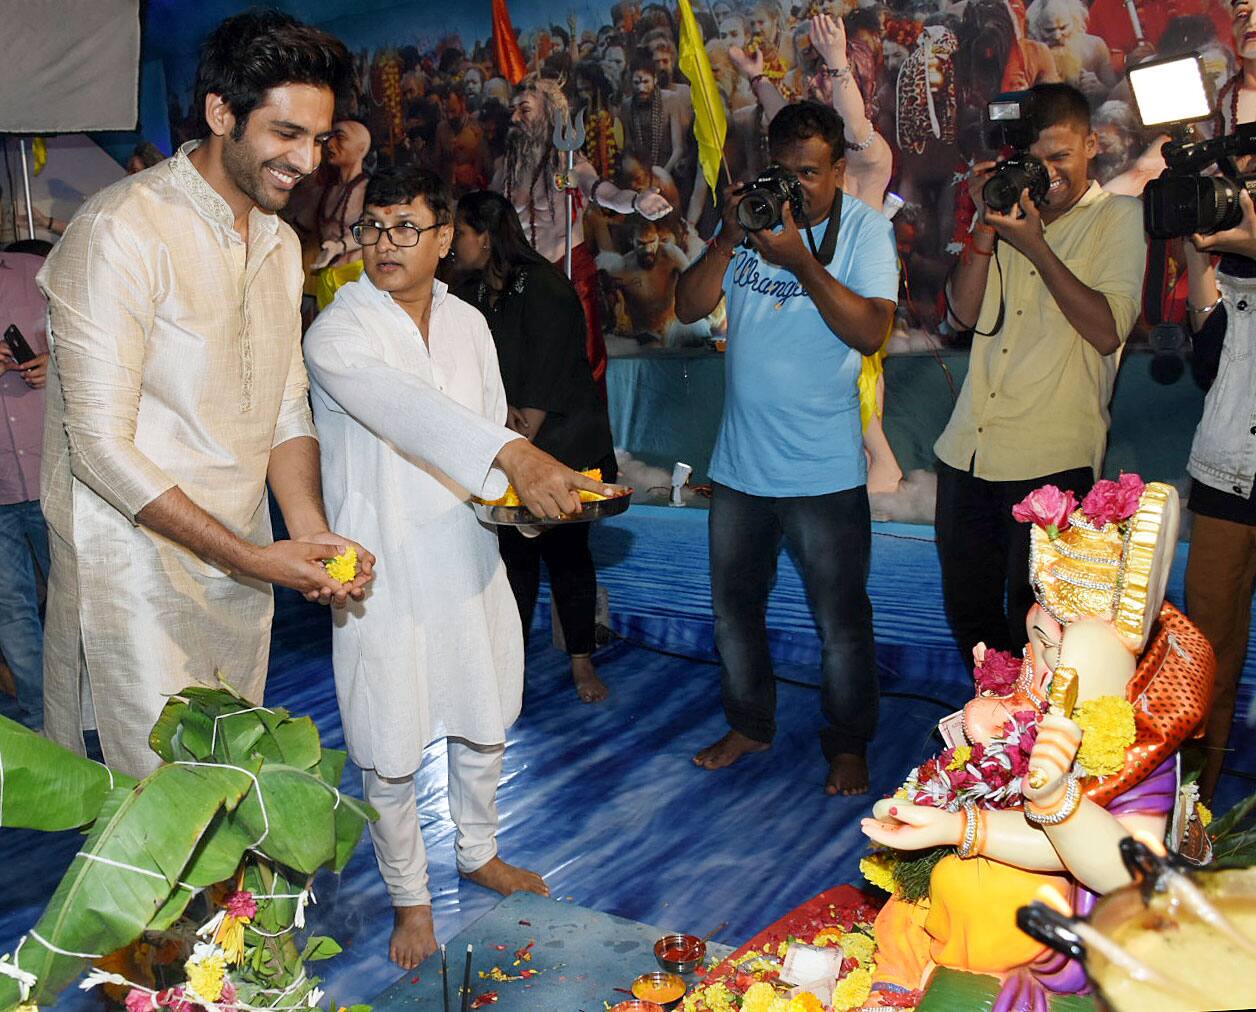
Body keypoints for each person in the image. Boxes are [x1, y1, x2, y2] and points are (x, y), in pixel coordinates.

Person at [35, 10, 373, 777]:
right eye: (285, 133)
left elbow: (287, 405)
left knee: (229, 785)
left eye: (319, 140)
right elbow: (98, 449)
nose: (306, 160)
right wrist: (258, 557)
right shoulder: (122, 230)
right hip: (137, 569)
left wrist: (310, 533)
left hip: (240, 560)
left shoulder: (282, 243)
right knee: (160, 807)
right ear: (222, 113)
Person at [303, 166, 616, 968]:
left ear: (445, 239)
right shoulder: (338, 333)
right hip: (378, 566)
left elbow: (477, 433)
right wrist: (518, 456)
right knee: (389, 736)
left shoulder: (469, 324)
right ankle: (411, 898)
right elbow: (416, 417)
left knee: (484, 716)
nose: (384, 245)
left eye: (406, 228)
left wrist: (527, 501)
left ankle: (478, 851)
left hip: (469, 546)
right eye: (372, 227)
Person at [675, 100, 899, 797]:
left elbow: (869, 332)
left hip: (821, 472)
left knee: (840, 622)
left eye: (812, 172)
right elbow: (685, 306)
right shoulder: (753, 222)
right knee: (734, 611)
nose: (797, 185)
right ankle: (750, 723)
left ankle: (848, 744)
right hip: (740, 468)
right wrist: (725, 236)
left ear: (838, 168)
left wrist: (800, 260)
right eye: (786, 170)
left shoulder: (864, 233)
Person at [933, 83, 1146, 664]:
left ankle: (1035, 750)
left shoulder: (1117, 218)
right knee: (973, 625)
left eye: (1062, 157)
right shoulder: (1005, 213)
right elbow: (963, 314)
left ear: (1093, 145)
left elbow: (1108, 330)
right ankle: (988, 744)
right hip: (967, 451)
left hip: (1053, 463)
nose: (1050, 174)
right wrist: (984, 227)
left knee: (1042, 637)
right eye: (1038, 161)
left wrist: (1036, 247)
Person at [452, 190, 619, 703]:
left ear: (484, 235)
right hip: (510, 436)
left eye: (459, 233)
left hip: (563, 441)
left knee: (568, 554)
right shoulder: (474, 291)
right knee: (514, 559)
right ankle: (511, 663)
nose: (453, 244)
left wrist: (514, 441)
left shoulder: (546, 286)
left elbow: (547, 374)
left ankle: (582, 663)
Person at [491, 76, 672, 395]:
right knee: (527, 371)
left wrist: (635, 201)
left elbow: (605, 193)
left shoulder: (570, 163)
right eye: (513, 110)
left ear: (550, 114)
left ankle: (588, 440)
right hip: (521, 280)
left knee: (584, 367)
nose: (515, 118)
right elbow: (485, 214)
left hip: (569, 276)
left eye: (525, 109)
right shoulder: (505, 166)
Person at [0, 244, 51, 730]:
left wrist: (55, 365)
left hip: (50, 469)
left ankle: (96, 710)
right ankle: (41, 721)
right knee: (11, 611)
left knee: (76, 599)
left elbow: (91, 344)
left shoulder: (37, 273)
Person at [312, 119, 372, 309]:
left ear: (361, 148)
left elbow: (372, 231)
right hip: (326, 278)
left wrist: (339, 247)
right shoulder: (328, 190)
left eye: (340, 137)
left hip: (354, 277)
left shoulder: (368, 189)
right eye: (330, 137)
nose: (330, 144)